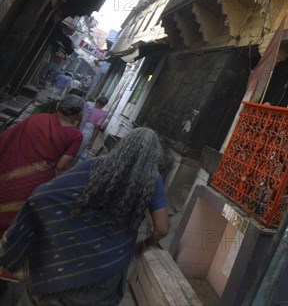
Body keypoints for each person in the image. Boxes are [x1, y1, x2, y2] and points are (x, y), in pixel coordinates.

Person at [0, 127, 169, 305]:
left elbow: (43, 194)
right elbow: (162, 228)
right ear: (155, 155)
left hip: (67, 255)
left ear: (124, 145)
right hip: (106, 267)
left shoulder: (95, 165)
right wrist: (144, 244)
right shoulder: (153, 180)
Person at [0, 94, 84, 236]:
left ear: (58, 106)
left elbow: (9, 137)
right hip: (34, 182)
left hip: (10, 169)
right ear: (78, 114)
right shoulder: (75, 136)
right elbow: (61, 165)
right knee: (13, 216)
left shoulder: (35, 119)